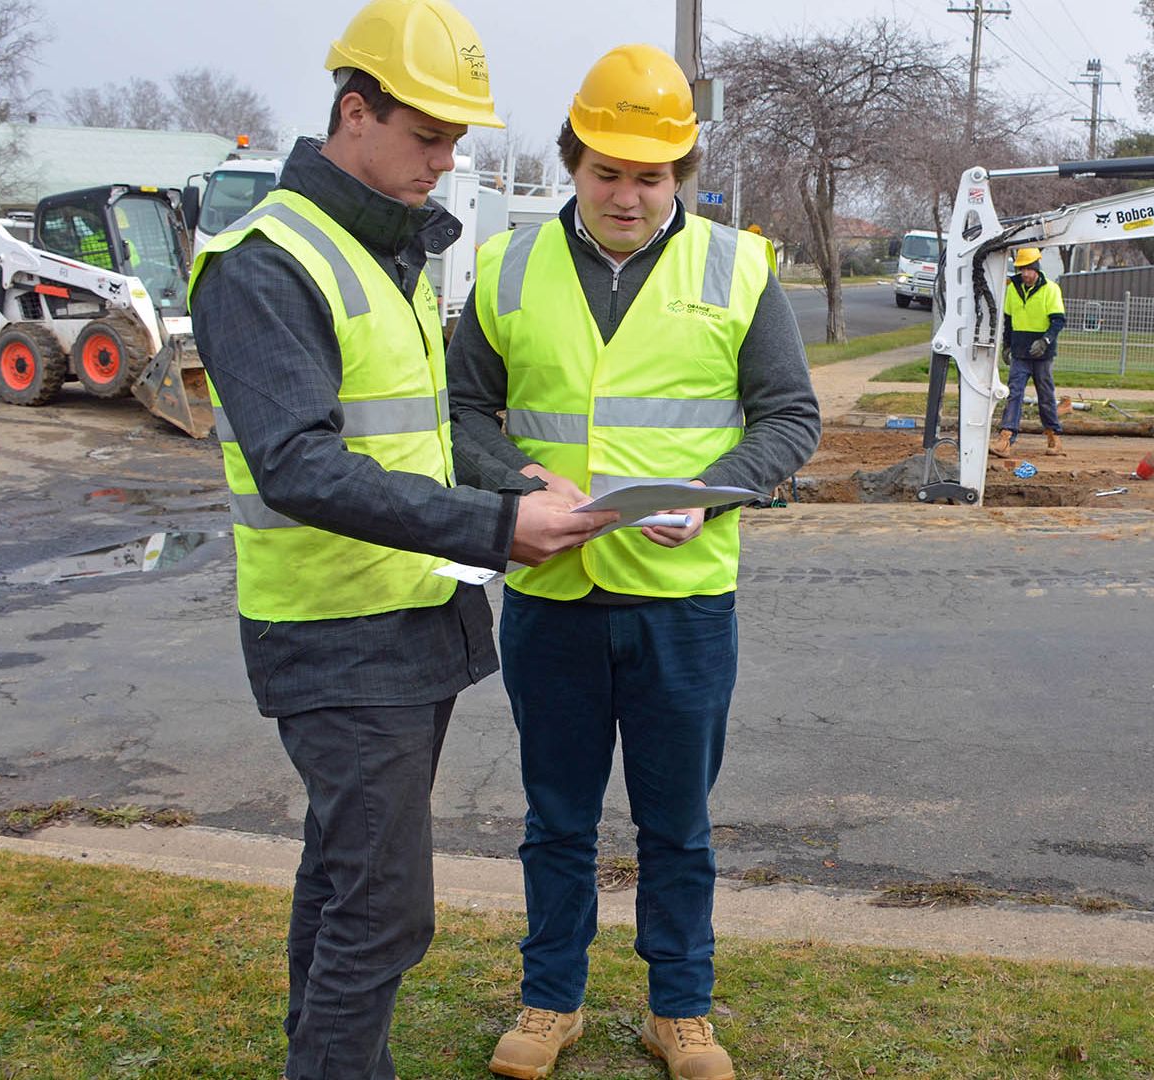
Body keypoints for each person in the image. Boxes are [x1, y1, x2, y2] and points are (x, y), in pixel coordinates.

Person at [188, 2, 614, 1076]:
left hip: (402, 618)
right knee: (385, 916)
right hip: (336, 632)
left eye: (456, 139)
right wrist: (499, 524)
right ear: (353, 113)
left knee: (342, 882)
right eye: (427, 136)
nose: (446, 160)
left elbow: (413, 435)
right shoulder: (268, 262)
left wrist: (510, 478)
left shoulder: (382, 255)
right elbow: (300, 465)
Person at [446, 43, 820, 1080]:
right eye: (606, 170)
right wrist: (517, 482)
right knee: (555, 816)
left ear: (680, 174)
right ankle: (549, 1001)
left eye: (648, 175)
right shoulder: (507, 267)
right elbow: (462, 411)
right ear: (572, 164)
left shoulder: (738, 267)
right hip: (550, 597)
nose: (626, 193)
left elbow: (789, 415)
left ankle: (679, 1010)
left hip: (683, 602)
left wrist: (716, 495)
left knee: (678, 824)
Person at [989, 247, 1067, 459]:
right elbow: (1008, 320)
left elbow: (1058, 320)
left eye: (1029, 269)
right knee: (1014, 393)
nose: (1025, 274)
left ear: (1037, 268)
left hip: (1043, 353)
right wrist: (1007, 344)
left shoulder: (1051, 289)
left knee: (1046, 395)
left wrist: (1045, 340)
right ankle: (1005, 438)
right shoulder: (1013, 289)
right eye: (1022, 269)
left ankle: (1053, 436)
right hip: (1020, 352)